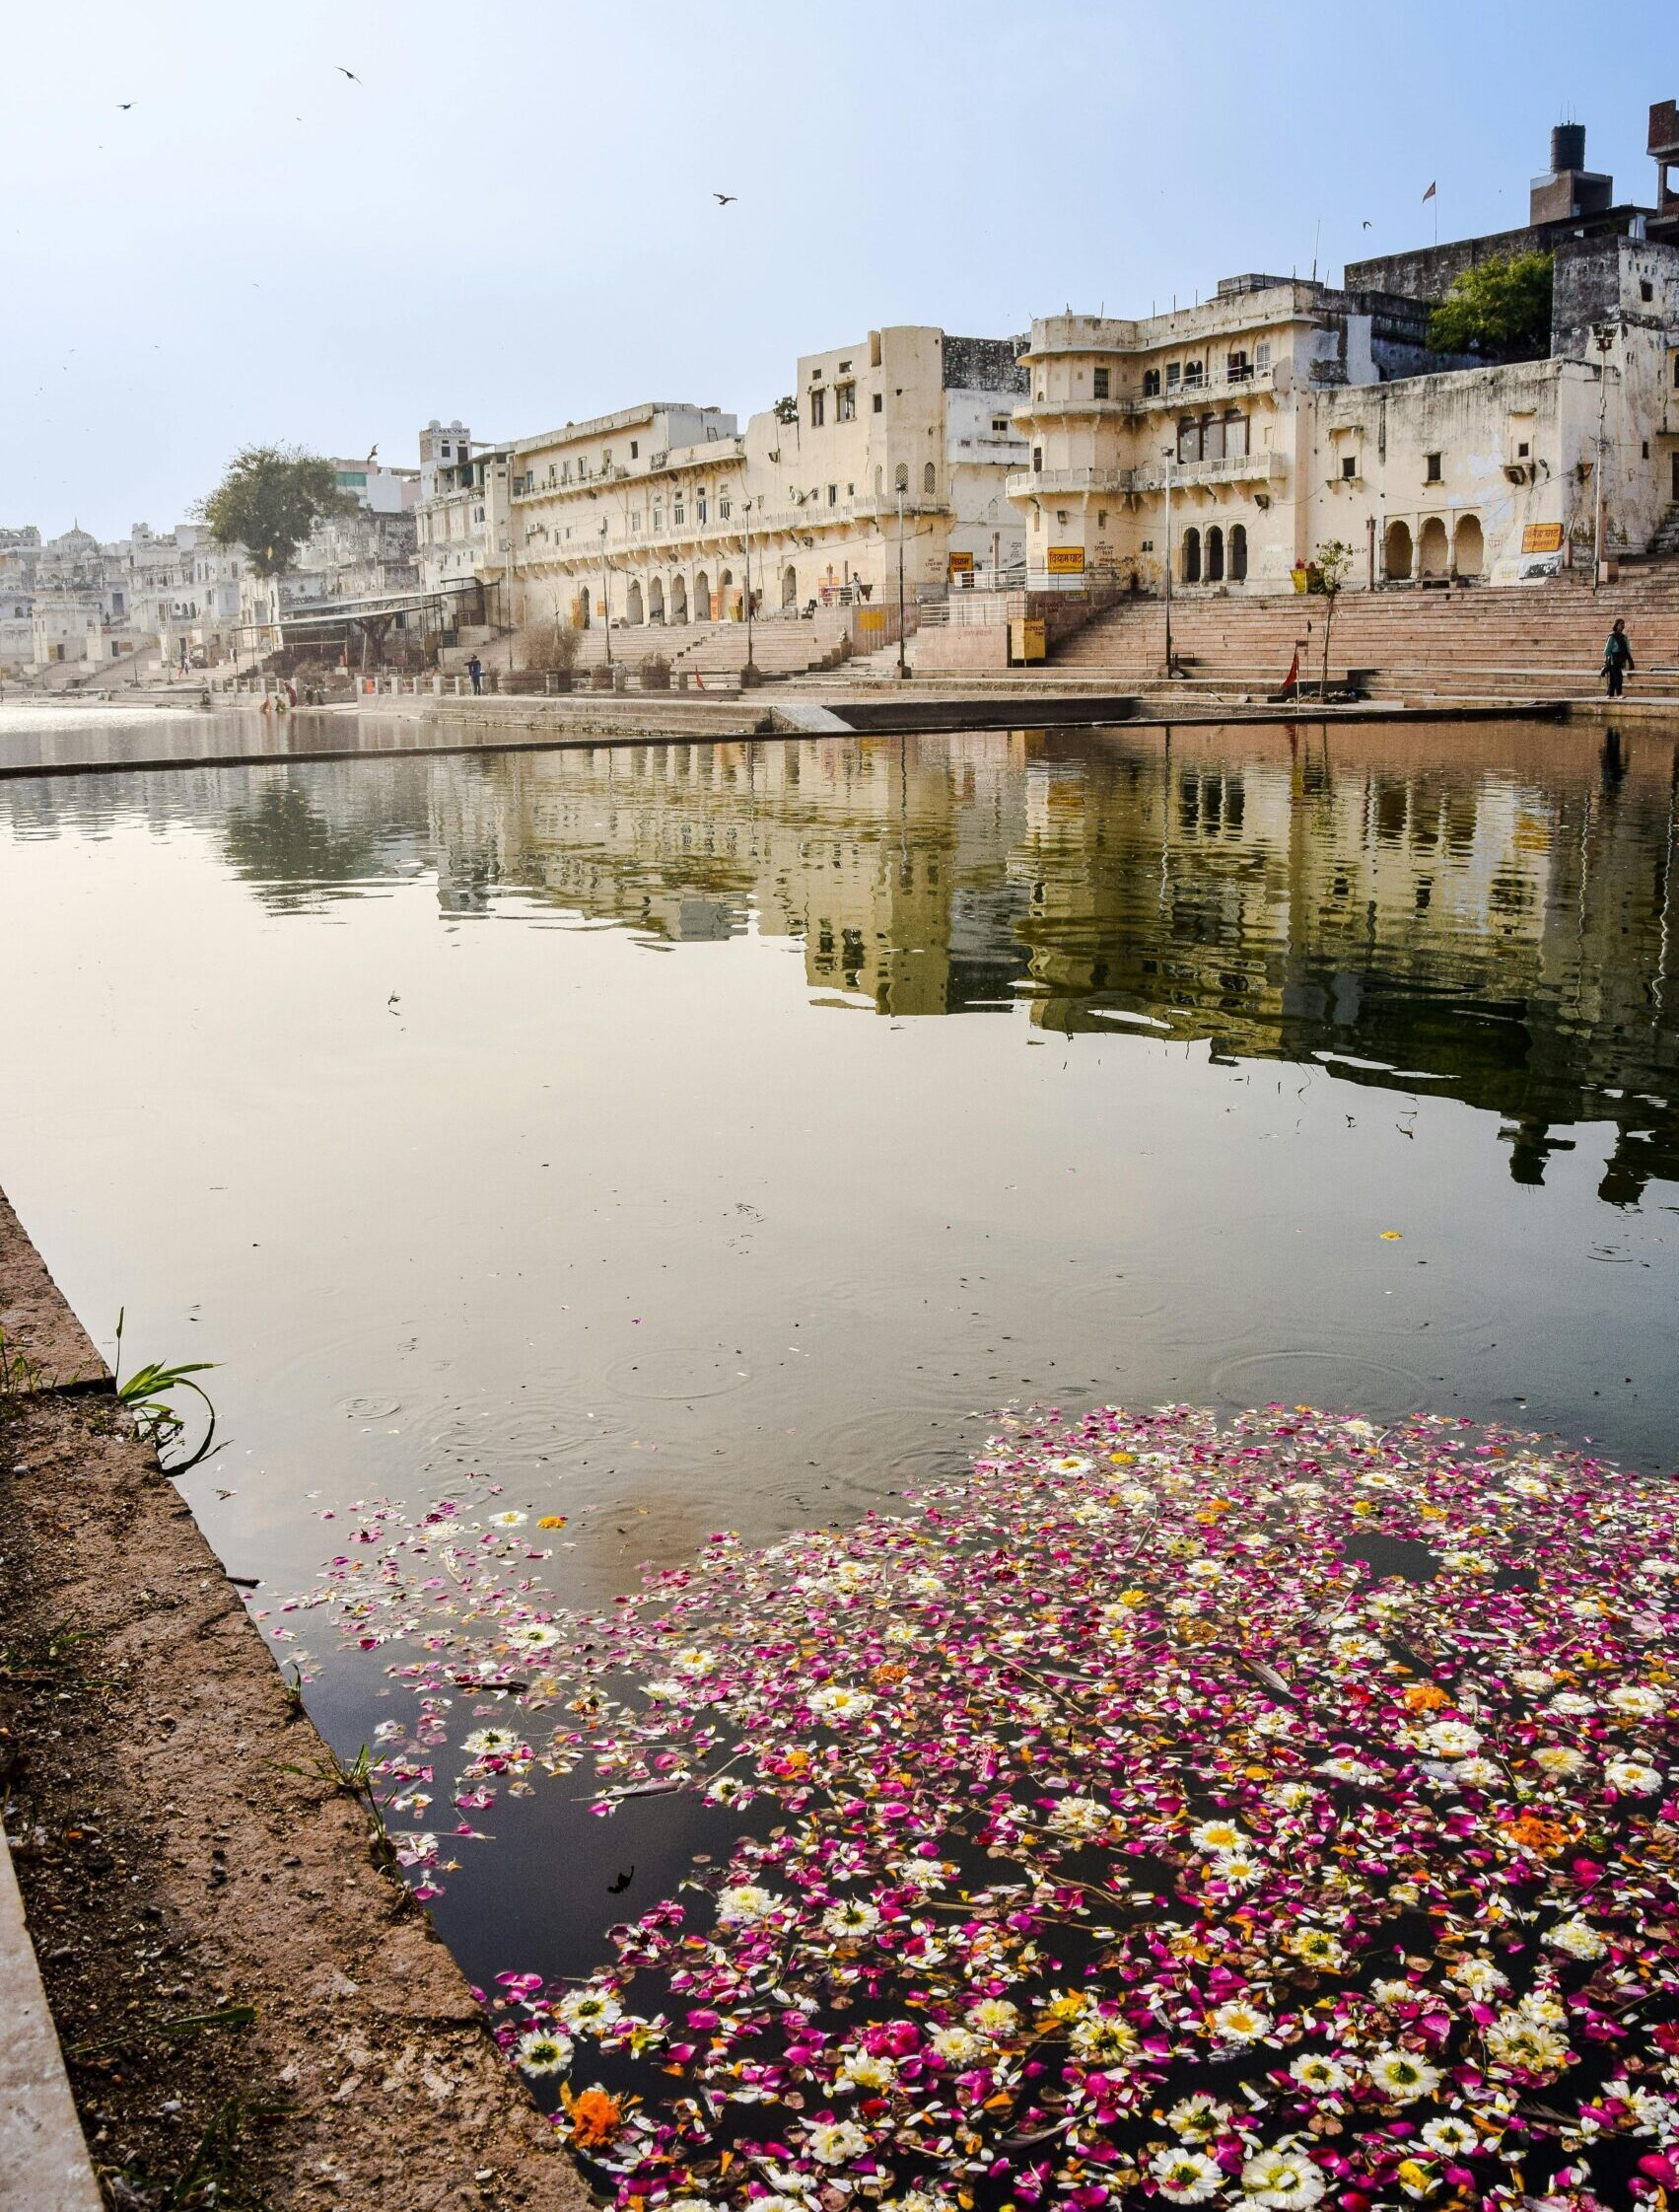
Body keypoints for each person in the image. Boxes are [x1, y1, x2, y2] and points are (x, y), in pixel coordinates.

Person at [1603, 618, 1635, 698]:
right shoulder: (1612, 637)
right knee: (1618, 677)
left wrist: (1629, 659)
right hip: (1613, 660)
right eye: (1621, 624)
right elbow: (1607, 650)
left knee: (1613, 678)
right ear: (1616, 625)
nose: (1623, 625)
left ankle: (1610, 694)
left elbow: (1627, 648)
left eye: (1623, 624)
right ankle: (1619, 694)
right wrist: (1607, 661)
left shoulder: (1624, 636)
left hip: (1621, 659)